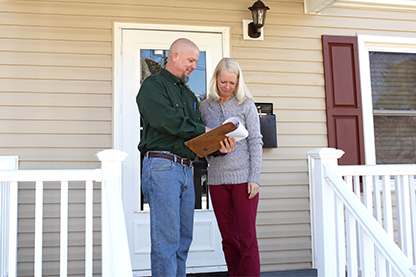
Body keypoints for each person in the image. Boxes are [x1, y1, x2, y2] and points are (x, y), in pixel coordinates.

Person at [136, 38, 236, 277]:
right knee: (166, 241)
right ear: (175, 56)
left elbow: (197, 137)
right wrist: (204, 132)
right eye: (191, 60)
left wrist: (218, 145)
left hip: (185, 169)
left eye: (196, 62)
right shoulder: (153, 85)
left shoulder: (190, 96)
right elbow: (166, 120)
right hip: (161, 167)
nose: (194, 66)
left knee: (183, 240)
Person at [199, 58, 263, 277]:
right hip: (217, 180)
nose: (227, 86)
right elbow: (202, 142)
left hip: (244, 179)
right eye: (223, 81)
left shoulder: (246, 105)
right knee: (228, 238)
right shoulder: (205, 106)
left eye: (232, 83)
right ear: (216, 79)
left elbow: (255, 141)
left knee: (247, 238)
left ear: (238, 82)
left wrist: (254, 177)